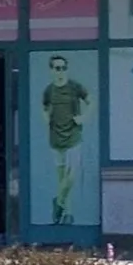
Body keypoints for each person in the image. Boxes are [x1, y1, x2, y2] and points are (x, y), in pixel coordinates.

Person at [39, 54, 89, 224]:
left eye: (63, 68)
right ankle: (67, 213)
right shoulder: (49, 90)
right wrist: (46, 117)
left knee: (72, 175)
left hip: (74, 136)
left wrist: (84, 117)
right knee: (61, 178)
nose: (61, 71)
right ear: (51, 70)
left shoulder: (75, 87)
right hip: (55, 138)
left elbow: (91, 101)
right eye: (57, 68)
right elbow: (45, 107)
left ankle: (58, 201)